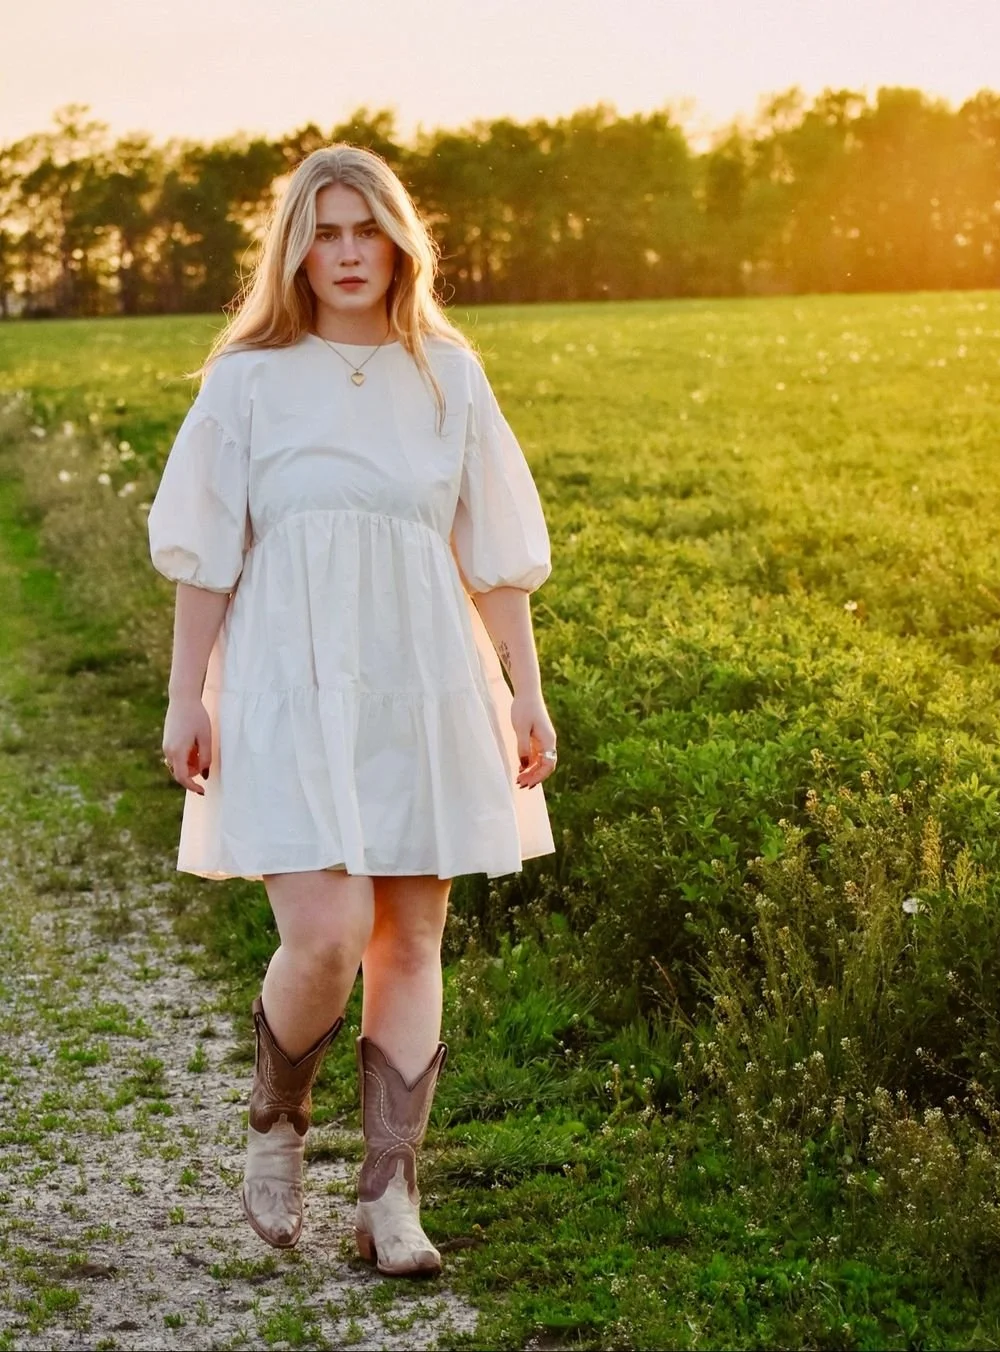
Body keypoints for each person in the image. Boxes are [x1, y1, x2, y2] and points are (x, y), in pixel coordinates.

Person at [146, 143, 558, 1278]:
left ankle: (391, 1197)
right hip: (286, 677)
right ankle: (278, 1118)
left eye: (363, 229)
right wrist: (188, 695)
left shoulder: (450, 375)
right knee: (325, 935)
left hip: (423, 677)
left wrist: (526, 693)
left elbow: (496, 559)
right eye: (322, 231)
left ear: (397, 241)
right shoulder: (247, 380)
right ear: (294, 247)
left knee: (409, 935)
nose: (343, 253)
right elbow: (205, 558)